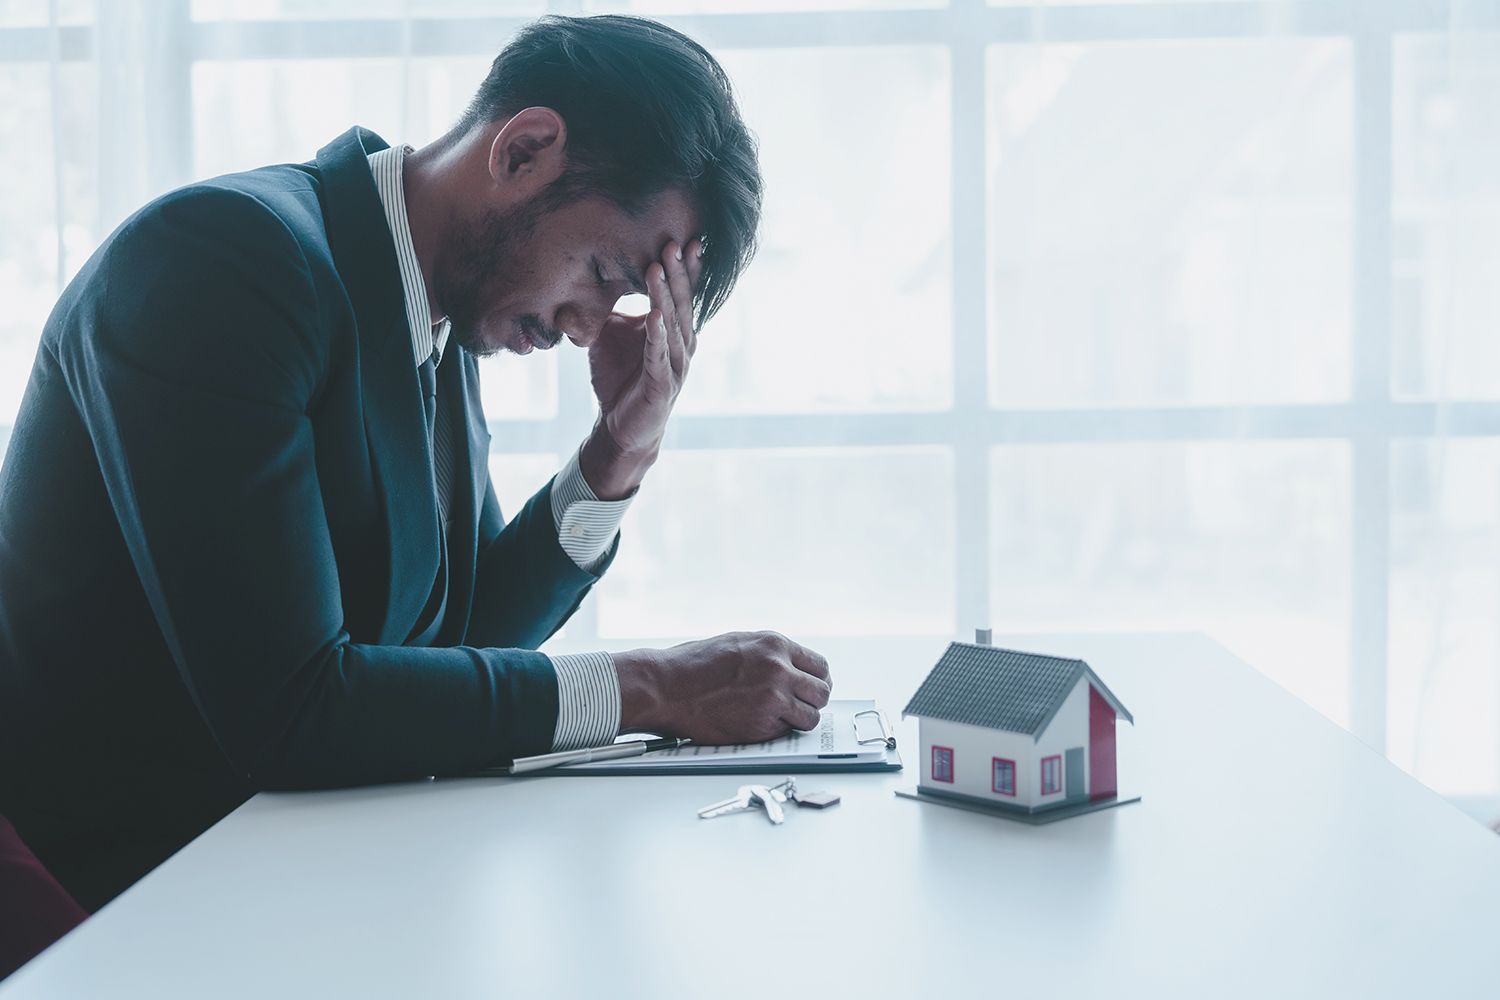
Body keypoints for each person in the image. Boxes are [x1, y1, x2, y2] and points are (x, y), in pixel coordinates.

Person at [0, 14, 831, 913]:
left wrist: (616, 452)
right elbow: (293, 711)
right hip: (94, 884)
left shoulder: (427, 316)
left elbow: (466, 633)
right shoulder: (226, 265)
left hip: (264, 861)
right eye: (602, 272)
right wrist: (654, 688)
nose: (587, 327)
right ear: (524, 152)